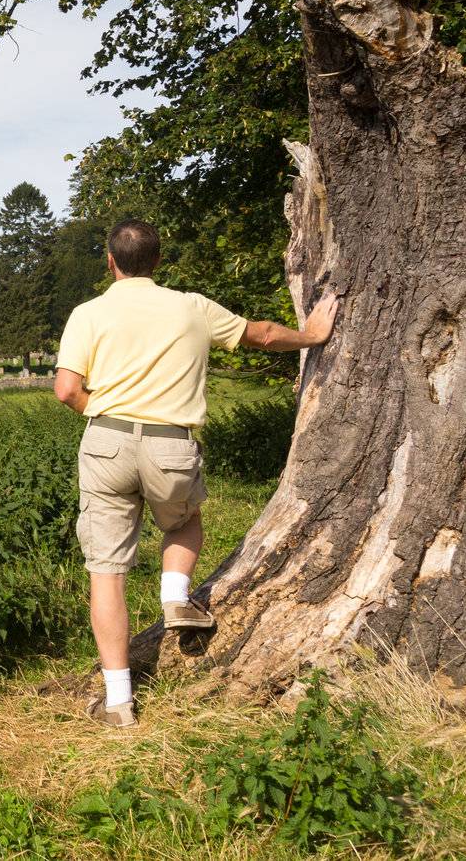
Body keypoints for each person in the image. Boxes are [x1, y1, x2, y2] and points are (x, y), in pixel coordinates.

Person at [53, 219, 340, 727]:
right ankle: (174, 598)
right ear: (158, 262)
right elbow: (264, 334)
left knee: (107, 571)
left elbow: (67, 390)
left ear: (110, 261)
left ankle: (119, 702)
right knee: (183, 521)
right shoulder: (192, 307)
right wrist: (315, 334)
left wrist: (113, 413)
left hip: (106, 441)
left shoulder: (88, 313)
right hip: (171, 444)